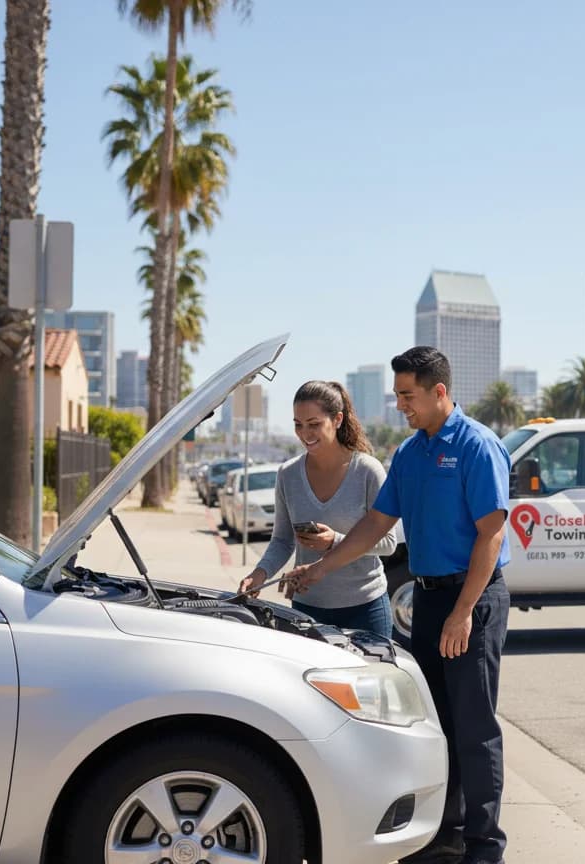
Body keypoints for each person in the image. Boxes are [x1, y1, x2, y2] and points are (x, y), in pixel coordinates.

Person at [284, 347, 511, 864]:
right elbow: (375, 525)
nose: (400, 404)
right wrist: (320, 568)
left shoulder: (477, 446)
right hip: (429, 600)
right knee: (435, 725)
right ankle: (446, 836)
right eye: (397, 395)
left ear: (439, 391)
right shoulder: (410, 454)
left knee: (474, 728)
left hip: (472, 600)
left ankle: (484, 845)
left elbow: (491, 537)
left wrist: (463, 612)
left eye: (407, 395)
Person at [238, 380, 396, 638]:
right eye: (298, 425)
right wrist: (259, 574)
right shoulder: (287, 474)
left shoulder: (368, 471)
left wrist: (334, 540)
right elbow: (282, 540)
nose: (305, 434)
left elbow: (388, 542)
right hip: (306, 611)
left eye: (314, 424)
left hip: (366, 610)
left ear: (337, 420)